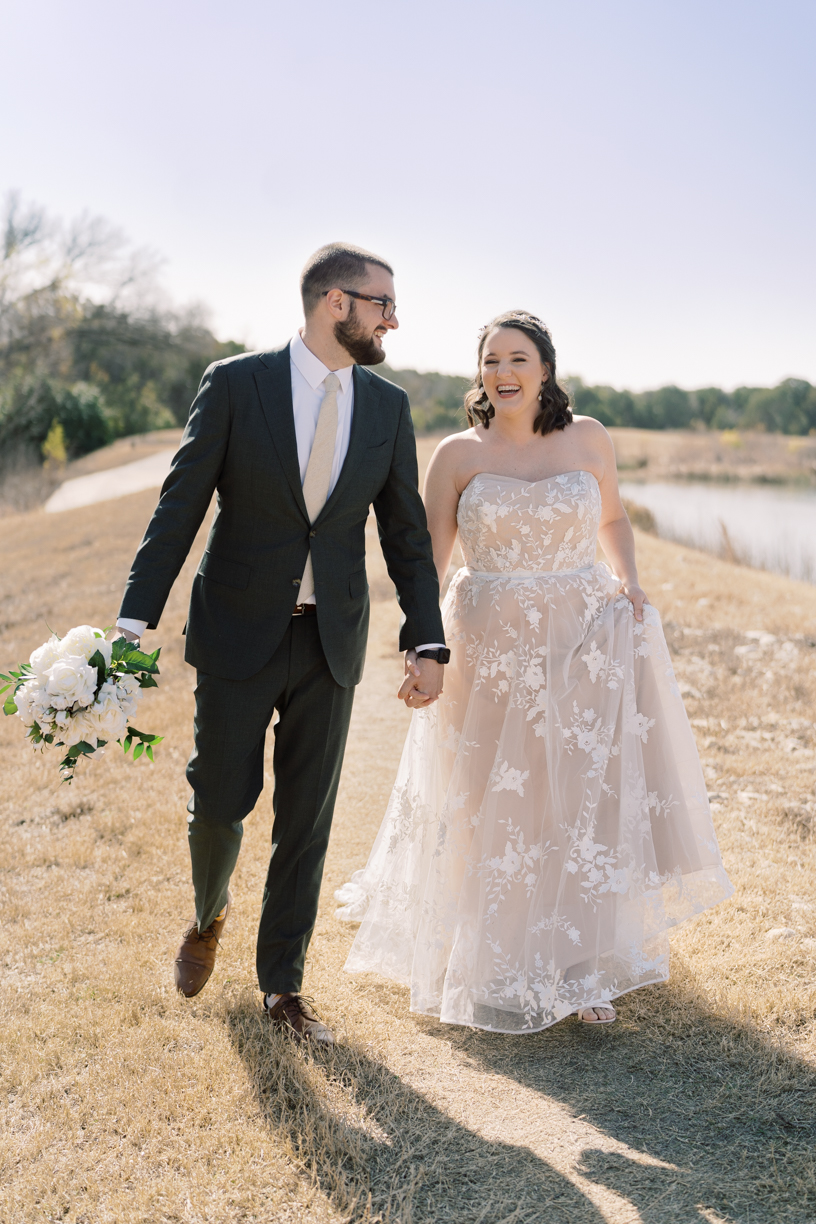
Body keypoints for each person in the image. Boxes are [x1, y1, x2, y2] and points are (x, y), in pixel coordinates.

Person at [336, 310, 733, 1031]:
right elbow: (426, 559)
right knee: (488, 798)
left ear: (545, 368)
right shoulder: (457, 454)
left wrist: (631, 580)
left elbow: (611, 520)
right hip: (487, 645)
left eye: (517, 358)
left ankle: (578, 966)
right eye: (490, 360)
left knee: (575, 797)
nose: (503, 372)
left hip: (582, 636)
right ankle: (488, 954)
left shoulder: (589, 438)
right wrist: (422, 646)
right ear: (479, 373)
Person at [116, 243, 447, 1045]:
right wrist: (133, 623)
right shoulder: (236, 383)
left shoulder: (388, 406)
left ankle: (282, 990)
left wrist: (426, 640)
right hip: (235, 632)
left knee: (307, 820)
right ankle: (207, 914)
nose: (391, 319)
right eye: (381, 304)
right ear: (335, 303)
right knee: (218, 802)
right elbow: (181, 504)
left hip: (330, 639)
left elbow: (405, 534)